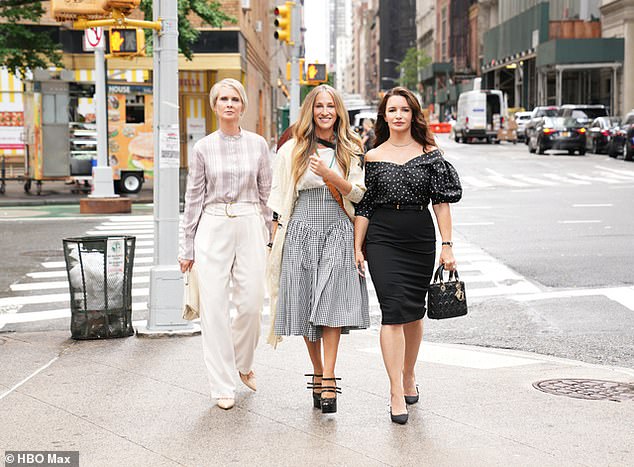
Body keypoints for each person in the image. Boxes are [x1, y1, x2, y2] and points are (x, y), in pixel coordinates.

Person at [353, 87, 462, 424]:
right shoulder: (370, 157)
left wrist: (447, 245)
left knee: (414, 313)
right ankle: (394, 392)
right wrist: (358, 246)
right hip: (382, 237)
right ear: (383, 116)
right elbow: (365, 206)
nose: (398, 115)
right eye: (392, 110)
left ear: (413, 115)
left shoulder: (431, 154)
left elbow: (441, 203)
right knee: (393, 311)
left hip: (418, 235)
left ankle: (408, 374)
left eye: (404, 109)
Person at [267, 85, 369, 414]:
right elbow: (280, 199)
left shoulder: (351, 147)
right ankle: (317, 370)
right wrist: (273, 242)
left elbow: (358, 195)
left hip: (337, 228)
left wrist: (328, 174)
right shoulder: (292, 149)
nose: (325, 111)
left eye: (331, 106)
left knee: (330, 304)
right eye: (319, 106)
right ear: (310, 111)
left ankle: (329, 377)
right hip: (300, 229)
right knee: (307, 306)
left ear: (339, 111)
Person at [179, 78, 272, 410]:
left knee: (249, 304)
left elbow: (266, 195)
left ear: (243, 106)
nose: (229, 104)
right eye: (223, 99)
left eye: (235, 99)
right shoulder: (203, 147)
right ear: (214, 106)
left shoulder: (259, 145)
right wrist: (186, 247)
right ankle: (222, 384)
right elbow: (193, 199)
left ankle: (243, 363)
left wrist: (271, 238)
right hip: (212, 223)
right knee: (214, 308)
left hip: (249, 221)